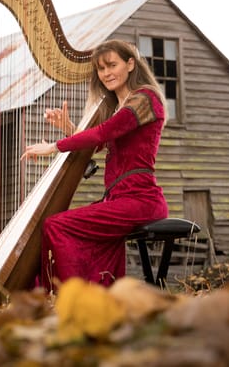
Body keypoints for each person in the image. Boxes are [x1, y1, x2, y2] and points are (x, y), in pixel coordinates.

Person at [20, 39, 168, 290]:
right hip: (118, 200)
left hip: (141, 200)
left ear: (130, 64)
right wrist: (68, 128)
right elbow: (100, 145)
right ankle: (99, 297)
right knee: (82, 237)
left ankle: (67, 297)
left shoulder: (145, 98)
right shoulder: (118, 107)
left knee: (56, 225)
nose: (107, 73)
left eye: (112, 65)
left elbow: (101, 134)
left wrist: (54, 146)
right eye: (101, 69)